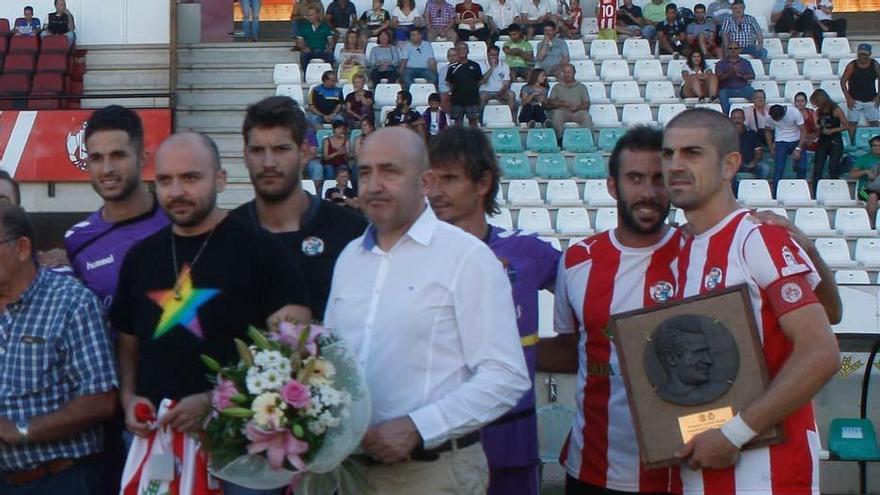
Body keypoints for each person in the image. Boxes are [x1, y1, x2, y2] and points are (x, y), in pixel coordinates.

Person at [324, 126, 531, 494]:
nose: (373, 185)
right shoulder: (349, 259)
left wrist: (419, 426)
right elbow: (332, 358)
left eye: (390, 171)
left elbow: (506, 375)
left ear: (426, 180)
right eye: (365, 171)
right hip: (348, 473)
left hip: (432, 474)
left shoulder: (467, 258)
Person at [112, 133, 312, 495]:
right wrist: (129, 399)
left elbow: (292, 355)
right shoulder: (139, 258)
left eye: (190, 178)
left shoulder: (263, 252)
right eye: (165, 180)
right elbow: (127, 345)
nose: (176, 191)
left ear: (220, 179)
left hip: (242, 453)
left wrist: (213, 401)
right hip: (157, 441)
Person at [662, 107, 840, 495]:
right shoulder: (675, 249)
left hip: (764, 473)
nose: (675, 164)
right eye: (668, 154)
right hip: (695, 466)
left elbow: (822, 352)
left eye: (692, 153)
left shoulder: (758, 237)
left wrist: (733, 435)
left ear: (730, 165)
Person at [538, 126, 684, 495]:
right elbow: (572, 349)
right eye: (635, 179)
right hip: (592, 471)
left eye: (658, 179)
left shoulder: (699, 254)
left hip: (683, 473)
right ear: (613, 186)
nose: (648, 193)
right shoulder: (577, 261)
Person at [428, 126, 560, 495]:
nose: (436, 192)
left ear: (483, 182)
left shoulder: (526, 253)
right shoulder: (412, 257)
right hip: (436, 443)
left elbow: (591, 298)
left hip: (511, 441)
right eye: (431, 179)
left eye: (450, 179)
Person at [61, 106, 170, 495]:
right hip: (111, 417)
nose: (106, 168)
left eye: (118, 155)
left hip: (181, 408)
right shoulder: (77, 241)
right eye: (96, 157)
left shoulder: (178, 226)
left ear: (142, 159)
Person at [0, 204, 117, 495]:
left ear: (22, 248)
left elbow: (101, 399)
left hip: (60, 480)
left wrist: (22, 430)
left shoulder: (72, 303)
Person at [233, 97, 367, 319]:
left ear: (304, 153)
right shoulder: (227, 236)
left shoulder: (350, 232)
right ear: (245, 155)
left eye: (281, 149)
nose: (268, 163)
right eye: (257, 150)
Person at [810, 89, 849, 195]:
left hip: (835, 140)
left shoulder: (836, 109)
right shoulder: (819, 111)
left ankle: (835, 192)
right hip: (823, 141)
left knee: (833, 167)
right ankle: (815, 193)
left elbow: (846, 125)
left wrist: (832, 130)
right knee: (818, 168)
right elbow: (818, 126)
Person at [841, 44, 880, 140]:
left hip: (871, 99)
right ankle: (852, 143)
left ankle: (876, 144)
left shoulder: (875, 65)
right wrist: (848, 98)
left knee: (874, 123)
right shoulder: (852, 66)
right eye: (861, 54)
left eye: (865, 54)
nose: (863, 56)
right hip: (854, 100)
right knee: (852, 123)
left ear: (869, 54)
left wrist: (879, 96)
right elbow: (843, 82)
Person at [765, 103, 807, 192]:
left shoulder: (794, 112)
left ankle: (800, 191)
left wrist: (798, 148)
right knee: (779, 168)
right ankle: (775, 194)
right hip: (781, 141)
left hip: (796, 140)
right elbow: (767, 131)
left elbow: (803, 131)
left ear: (783, 114)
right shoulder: (768, 116)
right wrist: (771, 147)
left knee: (802, 167)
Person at [548, 63, 591, 140]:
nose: (567, 75)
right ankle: (559, 139)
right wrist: (563, 103)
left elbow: (587, 104)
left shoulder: (581, 87)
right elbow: (550, 103)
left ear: (574, 73)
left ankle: (587, 139)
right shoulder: (557, 87)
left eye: (569, 72)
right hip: (563, 111)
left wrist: (577, 107)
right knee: (557, 114)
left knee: (586, 116)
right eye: (565, 73)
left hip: (577, 112)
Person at [446, 42, 483, 127]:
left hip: (472, 99)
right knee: (458, 123)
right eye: (459, 49)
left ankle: (474, 140)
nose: (462, 51)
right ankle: (458, 140)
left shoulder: (475, 65)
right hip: (457, 100)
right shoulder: (452, 67)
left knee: (473, 123)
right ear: (456, 51)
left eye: (464, 48)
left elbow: (479, 81)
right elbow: (450, 83)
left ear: (468, 51)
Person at [715, 40, 755, 114]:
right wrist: (729, 72)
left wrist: (741, 75)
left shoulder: (745, 62)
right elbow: (718, 79)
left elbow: (752, 76)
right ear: (727, 50)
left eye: (735, 48)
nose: (733, 50)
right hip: (727, 89)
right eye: (730, 48)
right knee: (722, 93)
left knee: (754, 93)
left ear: (739, 50)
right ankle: (726, 116)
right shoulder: (720, 63)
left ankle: (755, 114)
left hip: (743, 88)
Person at [730, 108, 768, 181]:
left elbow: (758, 152)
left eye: (739, 118)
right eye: (734, 118)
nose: (737, 121)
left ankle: (755, 188)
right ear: (730, 119)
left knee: (764, 168)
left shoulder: (752, 133)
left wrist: (753, 162)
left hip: (748, 164)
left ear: (744, 119)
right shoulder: (725, 134)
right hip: (732, 165)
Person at [850, 135, 880, 227]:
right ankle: (871, 224)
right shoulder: (864, 158)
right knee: (872, 196)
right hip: (865, 190)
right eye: (874, 145)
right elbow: (852, 174)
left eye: (879, 146)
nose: (877, 148)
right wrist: (866, 171)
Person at [480, 45, 516, 118]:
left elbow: (507, 82)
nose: (494, 57)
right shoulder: (481, 65)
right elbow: (482, 81)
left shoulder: (504, 65)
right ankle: (480, 119)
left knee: (511, 94)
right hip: (486, 91)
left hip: (500, 91)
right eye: (491, 55)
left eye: (495, 55)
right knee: (482, 96)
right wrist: (492, 68)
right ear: (487, 55)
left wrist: (501, 91)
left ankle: (510, 117)